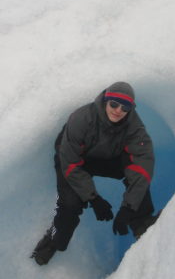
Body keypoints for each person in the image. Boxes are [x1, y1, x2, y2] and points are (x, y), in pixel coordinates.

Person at [31, 82, 158, 266]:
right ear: (106, 100)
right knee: (70, 205)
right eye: (114, 104)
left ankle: (141, 221)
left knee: (137, 176)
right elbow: (71, 164)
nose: (118, 110)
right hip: (71, 160)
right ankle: (53, 239)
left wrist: (128, 208)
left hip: (106, 158)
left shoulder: (135, 128)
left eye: (125, 107)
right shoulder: (82, 119)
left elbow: (142, 167)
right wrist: (94, 198)